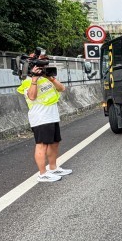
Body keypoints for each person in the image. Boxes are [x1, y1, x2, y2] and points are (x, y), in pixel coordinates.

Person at [16, 55, 72, 183]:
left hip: (52, 116)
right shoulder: (27, 81)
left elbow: (62, 88)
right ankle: (42, 174)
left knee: (55, 142)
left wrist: (50, 78)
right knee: (42, 145)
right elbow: (31, 96)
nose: (43, 68)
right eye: (40, 66)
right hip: (40, 118)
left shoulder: (47, 77)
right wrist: (34, 79)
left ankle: (53, 168)